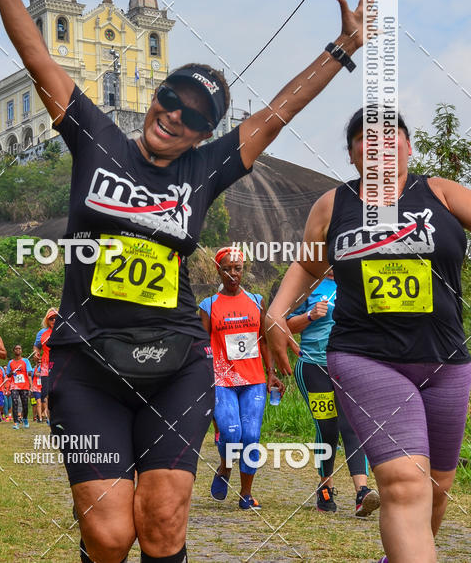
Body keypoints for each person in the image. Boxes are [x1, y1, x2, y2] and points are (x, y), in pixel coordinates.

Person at [0, 0, 369, 563]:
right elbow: (37, 54)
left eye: (194, 117)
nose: (175, 116)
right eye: (171, 100)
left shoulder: (203, 169)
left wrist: (344, 49)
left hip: (176, 364)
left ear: (205, 133)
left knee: (163, 522)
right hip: (88, 362)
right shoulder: (96, 139)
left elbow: (277, 112)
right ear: (156, 98)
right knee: (108, 532)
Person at [267, 108, 471, 563]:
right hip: (365, 357)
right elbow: (306, 264)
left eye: (388, 136)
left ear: (408, 146)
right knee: (403, 483)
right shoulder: (334, 204)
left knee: (435, 490)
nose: (376, 145)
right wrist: (276, 315)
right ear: (353, 155)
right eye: (364, 139)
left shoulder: (439, 191)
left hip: (445, 361)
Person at [286, 268, 380, 515]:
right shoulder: (308, 284)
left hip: (346, 365)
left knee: (351, 425)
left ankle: (362, 493)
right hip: (313, 366)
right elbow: (286, 325)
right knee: (327, 427)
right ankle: (325, 486)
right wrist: (309, 315)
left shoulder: (354, 282)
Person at [199, 247, 281, 510]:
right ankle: (225, 467)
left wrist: (272, 374)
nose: (233, 274)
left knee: (251, 436)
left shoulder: (257, 301)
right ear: (218, 269)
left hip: (253, 379)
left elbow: (266, 342)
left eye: (238, 268)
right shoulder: (209, 305)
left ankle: (246, 494)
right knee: (231, 433)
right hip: (222, 380)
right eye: (227, 268)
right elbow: (203, 348)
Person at [34, 308, 58, 424]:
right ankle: (52, 422)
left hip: (62, 366)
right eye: (51, 319)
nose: (54, 320)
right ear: (47, 321)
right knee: (48, 395)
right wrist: (36, 353)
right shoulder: (42, 333)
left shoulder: (65, 330)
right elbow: (36, 346)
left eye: (56, 318)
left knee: (61, 393)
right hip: (46, 368)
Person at [7, 344, 34, 429]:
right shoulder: (10, 362)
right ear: (14, 351)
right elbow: (8, 375)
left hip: (24, 385)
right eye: (16, 349)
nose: (18, 350)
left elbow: (29, 373)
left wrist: (31, 385)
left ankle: (25, 418)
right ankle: (16, 422)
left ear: (21, 351)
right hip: (14, 386)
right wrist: (11, 373)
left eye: (19, 348)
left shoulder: (26, 361)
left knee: (25, 404)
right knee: (15, 403)